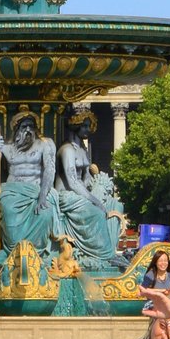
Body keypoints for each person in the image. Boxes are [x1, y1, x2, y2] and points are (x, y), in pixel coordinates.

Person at [0, 111, 60, 265]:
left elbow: (50, 170)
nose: (28, 130)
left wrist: (42, 195)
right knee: (7, 210)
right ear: (17, 129)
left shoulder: (45, 144)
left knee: (45, 213)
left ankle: (36, 255)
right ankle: (14, 253)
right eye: (24, 126)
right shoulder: (5, 147)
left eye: (31, 126)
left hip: (36, 190)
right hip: (13, 191)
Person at [55, 110, 118, 269]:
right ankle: (100, 254)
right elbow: (72, 181)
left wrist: (98, 186)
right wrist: (95, 200)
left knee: (113, 205)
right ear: (75, 127)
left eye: (88, 126)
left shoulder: (82, 150)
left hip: (80, 194)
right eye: (84, 126)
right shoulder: (67, 150)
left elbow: (85, 180)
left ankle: (109, 251)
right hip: (66, 195)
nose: (87, 130)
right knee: (96, 212)